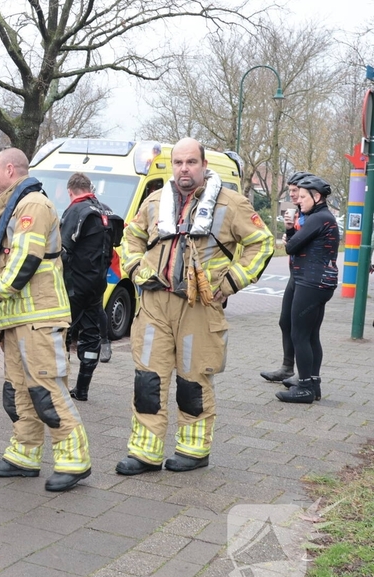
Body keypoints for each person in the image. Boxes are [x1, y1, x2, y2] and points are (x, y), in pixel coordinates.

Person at [115, 138, 273, 476]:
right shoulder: (155, 201)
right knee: (147, 381)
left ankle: (194, 451)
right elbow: (131, 238)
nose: (184, 169)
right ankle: (144, 453)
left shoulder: (232, 203)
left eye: (191, 162)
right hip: (154, 305)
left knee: (193, 382)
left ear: (204, 165)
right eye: (178, 162)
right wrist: (137, 269)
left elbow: (261, 244)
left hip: (199, 308)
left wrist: (228, 284)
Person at [0, 148, 92, 492]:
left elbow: (24, 261)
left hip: (40, 317)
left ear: (10, 170)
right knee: (18, 393)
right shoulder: (15, 207)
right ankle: (24, 456)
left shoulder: (33, 206)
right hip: (18, 319)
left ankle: (74, 460)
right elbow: (2, 263)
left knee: (47, 391)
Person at [276, 175, 339, 403]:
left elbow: (292, 247)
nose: (299, 200)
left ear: (317, 196)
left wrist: (290, 233)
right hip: (318, 283)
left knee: (299, 334)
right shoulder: (323, 217)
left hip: (310, 282)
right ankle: (313, 383)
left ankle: (304, 388)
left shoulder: (318, 218)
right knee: (311, 334)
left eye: (303, 196)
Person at [60, 173, 115, 401]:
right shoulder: (106, 211)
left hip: (74, 284)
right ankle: (82, 389)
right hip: (97, 284)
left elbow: (63, 249)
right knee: (91, 335)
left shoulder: (75, 210)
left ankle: (60, 387)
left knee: (63, 331)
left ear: (70, 191)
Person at [261, 170, 312, 385]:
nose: (291, 195)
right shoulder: (299, 212)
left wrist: (292, 238)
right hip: (295, 274)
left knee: (305, 329)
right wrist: (290, 231)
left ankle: (307, 376)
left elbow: (304, 245)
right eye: (290, 190)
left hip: (308, 279)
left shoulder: (312, 215)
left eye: (295, 190)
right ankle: (287, 367)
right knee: (285, 321)